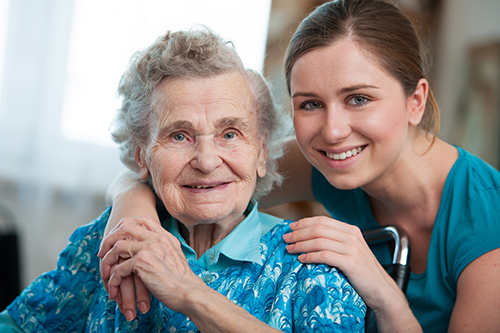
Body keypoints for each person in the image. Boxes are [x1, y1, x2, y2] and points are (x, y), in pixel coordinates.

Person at [99, 1, 500, 332]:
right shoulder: (322, 158)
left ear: (416, 101)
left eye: (358, 98)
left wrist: (382, 291)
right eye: (310, 103)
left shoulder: (486, 220)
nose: (333, 129)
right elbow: (190, 175)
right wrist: (131, 216)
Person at [0, 28, 366, 332]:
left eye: (230, 134)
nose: (207, 162)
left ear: (261, 153)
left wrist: (188, 291)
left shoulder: (312, 266)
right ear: (141, 156)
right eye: (179, 136)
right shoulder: (111, 241)